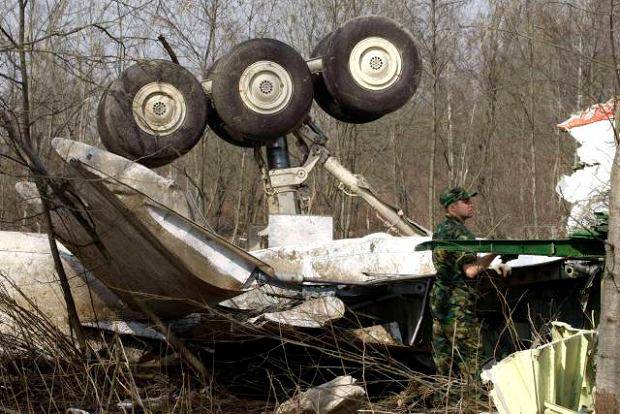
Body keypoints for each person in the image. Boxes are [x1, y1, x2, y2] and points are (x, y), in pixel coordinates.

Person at [430, 186, 501, 380]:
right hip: (458, 306)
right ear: (453, 207)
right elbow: (470, 270)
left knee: (444, 363)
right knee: (471, 358)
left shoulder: (441, 229)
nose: (471, 205)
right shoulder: (461, 234)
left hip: (440, 301)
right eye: (466, 202)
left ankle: (444, 404)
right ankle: (473, 405)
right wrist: (495, 253)